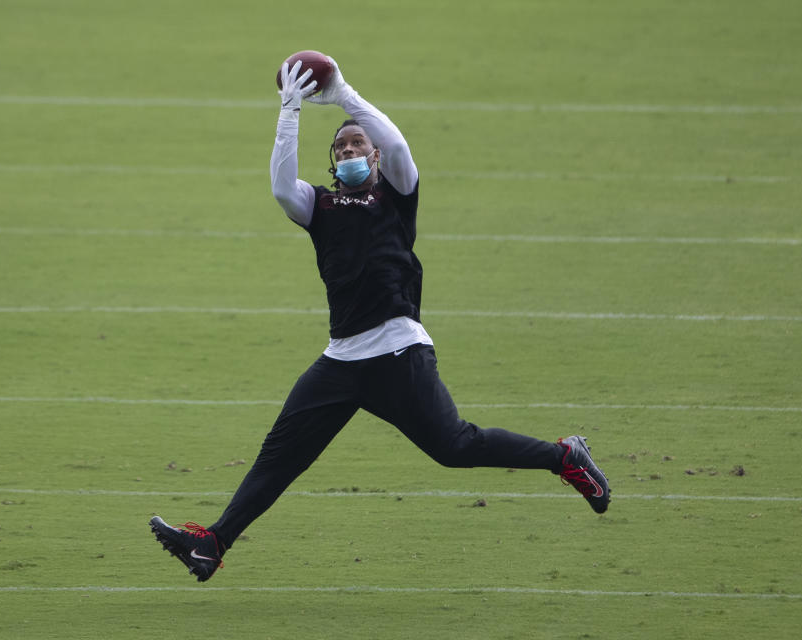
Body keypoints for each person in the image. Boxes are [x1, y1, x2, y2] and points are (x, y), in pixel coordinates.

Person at [150, 57, 611, 582]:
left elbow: (397, 147)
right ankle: (212, 543)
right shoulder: (319, 205)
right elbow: (282, 188)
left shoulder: (396, 195)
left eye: (357, 146)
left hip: (396, 351)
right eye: (341, 147)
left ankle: (565, 457)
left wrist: (345, 95)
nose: (350, 150)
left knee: (455, 446)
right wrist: (289, 110)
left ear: (372, 158)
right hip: (342, 358)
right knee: (279, 457)